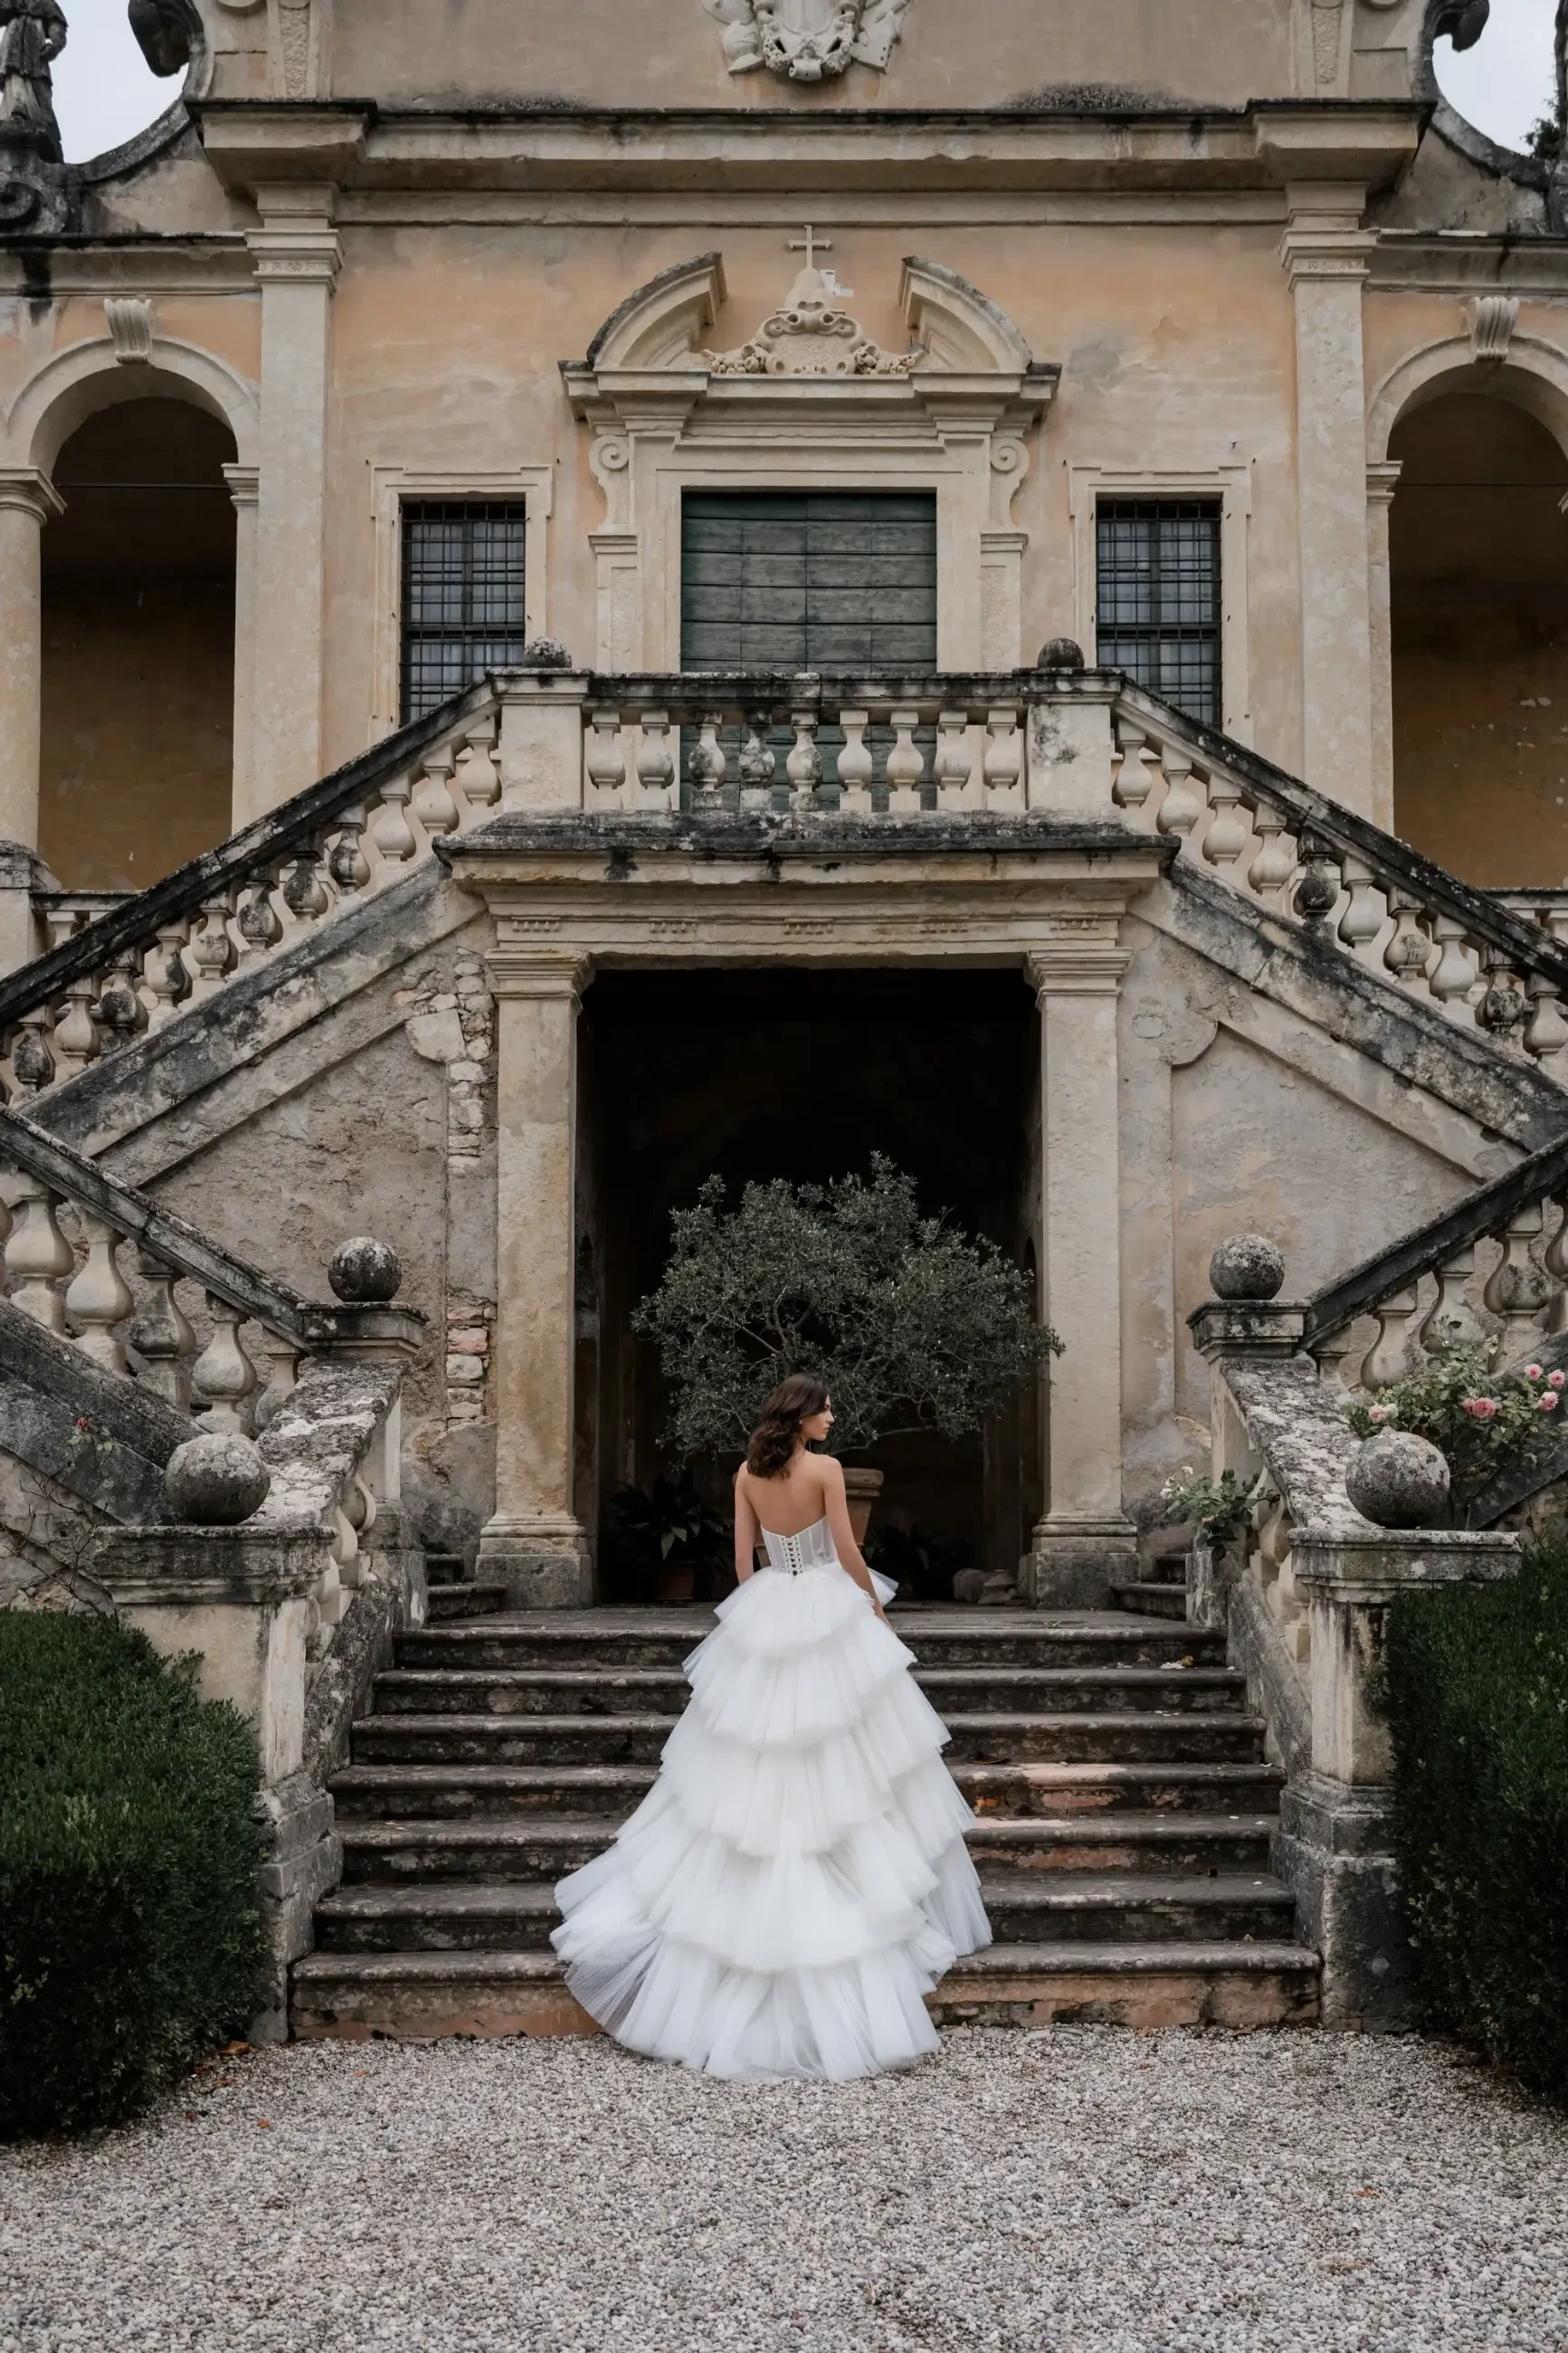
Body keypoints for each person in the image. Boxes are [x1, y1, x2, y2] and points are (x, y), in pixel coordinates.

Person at [552, 1373, 991, 2080]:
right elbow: (848, 1552)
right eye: (826, 1406)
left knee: (751, 1750)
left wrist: (765, 1597)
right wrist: (872, 1608)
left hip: (769, 1601)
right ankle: (852, 1881)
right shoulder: (826, 1469)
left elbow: (739, 1561)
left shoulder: (746, 1474)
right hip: (824, 1602)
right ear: (803, 1415)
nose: (833, 1415)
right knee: (847, 1744)